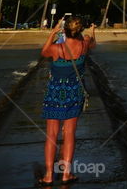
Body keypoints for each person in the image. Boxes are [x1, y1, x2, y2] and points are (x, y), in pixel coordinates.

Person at [38, 16, 96, 186]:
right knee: (69, 133)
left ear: (64, 30)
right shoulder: (84, 45)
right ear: (80, 30)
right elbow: (92, 43)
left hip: (55, 93)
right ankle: (66, 174)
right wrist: (92, 33)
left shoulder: (57, 49)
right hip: (74, 92)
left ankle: (49, 175)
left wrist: (53, 33)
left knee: (52, 134)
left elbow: (44, 52)